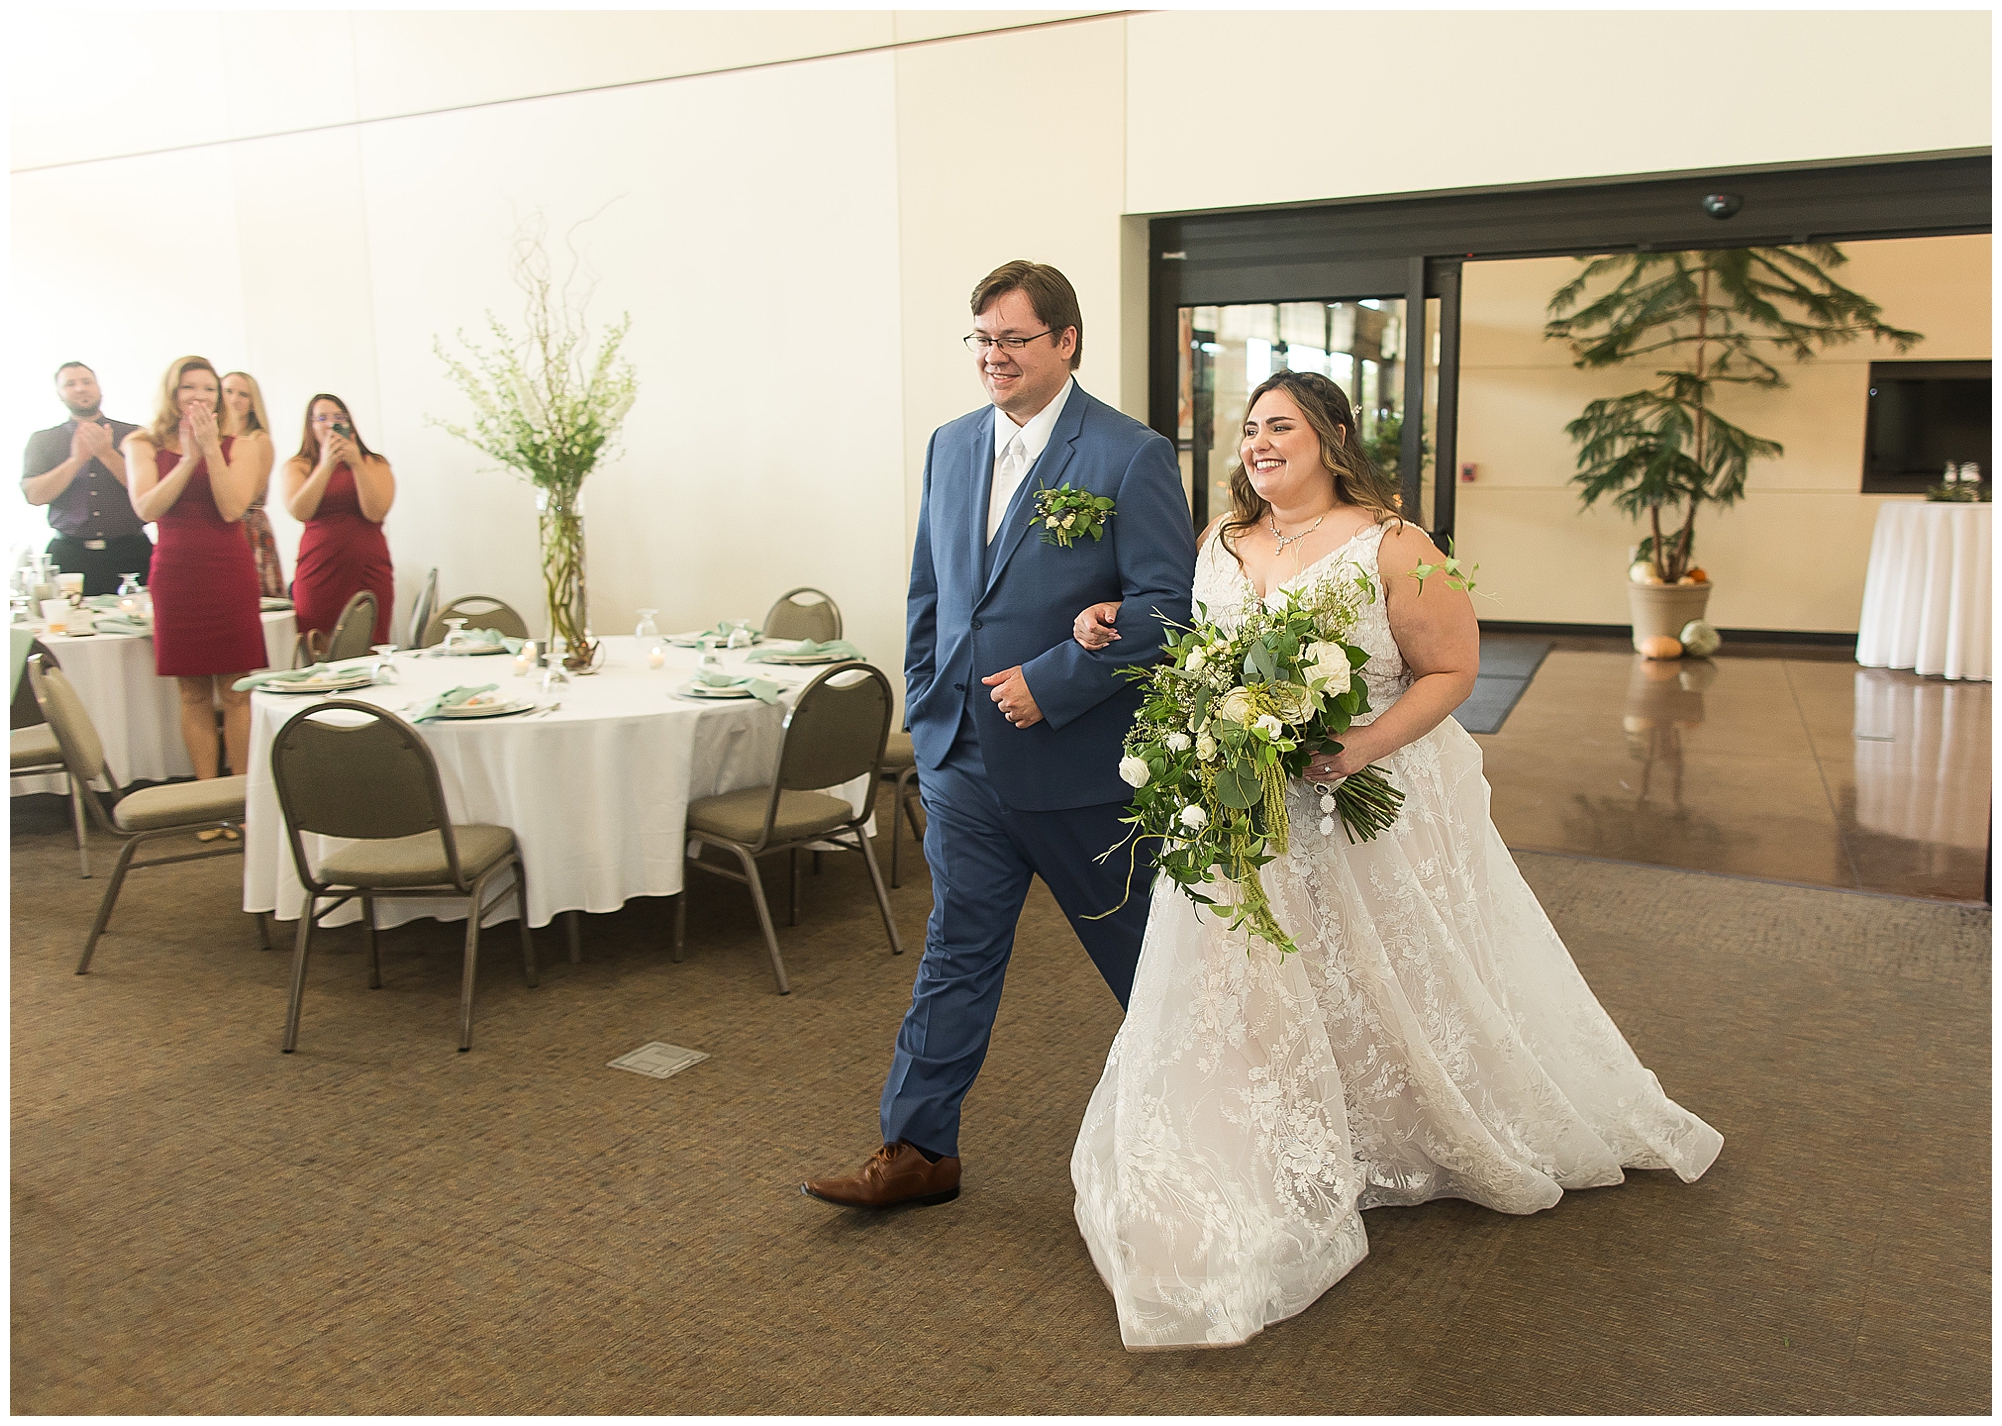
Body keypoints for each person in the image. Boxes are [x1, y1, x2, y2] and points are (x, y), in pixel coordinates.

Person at [1066, 370, 1723, 1350]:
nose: (1258, 442)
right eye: (1249, 429)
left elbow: (1452, 668)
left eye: (1280, 426)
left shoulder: (1397, 545)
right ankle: (1274, 1125)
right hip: (1243, 803)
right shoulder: (1221, 540)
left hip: (1362, 800)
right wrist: (1110, 626)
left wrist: (1365, 743)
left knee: (1381, 963)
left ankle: (1401, 1119)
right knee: (1251, 971)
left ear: (1333, 437)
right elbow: (1196, 651)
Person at [801, 260, 1197, 1210]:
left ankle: (1215, 1137)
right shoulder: (950, 445)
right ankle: (917, 1147)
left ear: (1066, 342)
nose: (994, 356)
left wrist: (1053, 683)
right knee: (956, 952)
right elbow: (932, 592)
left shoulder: (1129, 454)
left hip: (1080, 769)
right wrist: (930, 703)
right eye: (982, 339)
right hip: (962, 765)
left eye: (1014, 339)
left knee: (1146, 962)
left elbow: (1168, 608)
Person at [124, 355, 268, 783]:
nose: (199, 396)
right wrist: (188, 460)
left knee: (236, 690)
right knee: (192, 693)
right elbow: (146, 508)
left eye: (209, 388)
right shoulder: (141, 444)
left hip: (227, 572)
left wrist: (210, 450)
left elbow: (232, 508)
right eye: (189, 387)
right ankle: (205, 797)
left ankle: (240, 795)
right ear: (172, 394)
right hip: (176, 574)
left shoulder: (243, 446)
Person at [20, 362, 151, 595]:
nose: (80, 388)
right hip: (69, 555)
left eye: (86, 382)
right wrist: (76, 460)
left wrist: (106, 453)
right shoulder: (43, 440)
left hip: (131, 553)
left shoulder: (134, 435)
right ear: (59, 394)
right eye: (70, 384)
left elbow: (149, 490)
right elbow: (34, 496)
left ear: (99, 388)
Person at [283, 394, 393, 649]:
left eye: (338, 417)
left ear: (349, 423)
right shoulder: (298, 465)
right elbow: (300, 510)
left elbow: (376, 512)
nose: (330, 424)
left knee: (370, 643)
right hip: (319, 568)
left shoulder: (374, 463)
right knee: (319, 645)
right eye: (322, 418)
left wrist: (356, 464)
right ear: (311, 426)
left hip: (368, 567)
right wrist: (326, 465)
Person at [221, 371, 285, 599]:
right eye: (228, 391)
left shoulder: (259, 440)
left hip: (247, 528)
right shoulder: (213, 438)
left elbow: (251, 493)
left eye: (243, 394)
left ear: (252, 402)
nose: (234, 399)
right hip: (216, 526)